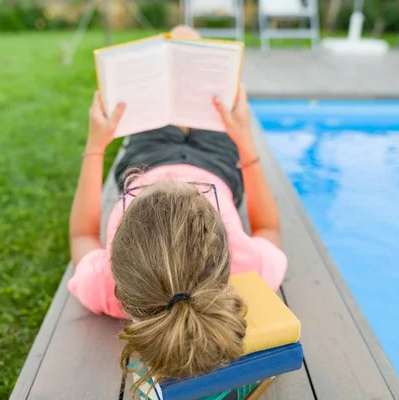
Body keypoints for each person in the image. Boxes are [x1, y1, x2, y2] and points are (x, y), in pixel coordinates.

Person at [68, 26, 287, 384]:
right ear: (223, 239)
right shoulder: (251, 268)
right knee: (195, 59)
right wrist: (245, 143)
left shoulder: (104, 284)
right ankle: (188, 46)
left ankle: (181, 45)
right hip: (215, 162)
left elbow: (80, 234)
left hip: (148, 156)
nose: (176, 179)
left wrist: (95, 147)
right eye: (200, 193)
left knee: (176, 52)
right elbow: (269, 229)